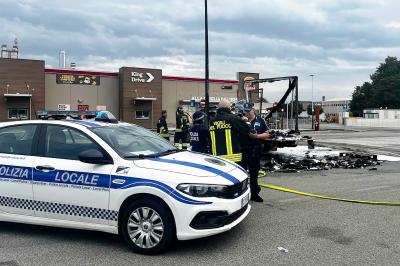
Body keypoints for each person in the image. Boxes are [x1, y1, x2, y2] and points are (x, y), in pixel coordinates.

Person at [209, 99, 256, 163]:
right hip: (233, 158)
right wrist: (246, 121)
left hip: (216, 158)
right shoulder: (233, 118)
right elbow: (249, 131)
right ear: (228, 108)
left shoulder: (212, 121)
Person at [240, 102, 270, 202]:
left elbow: (266, 134)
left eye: (248, 111)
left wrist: (257, 136)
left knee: (254, 172)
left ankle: (254, 194)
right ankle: (241, 193)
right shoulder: (241, 120)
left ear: (253, 110)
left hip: (255, 149)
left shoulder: (260, 120)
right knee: (242, 173)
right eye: (245, 111)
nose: (247, 113)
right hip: (243, 149)